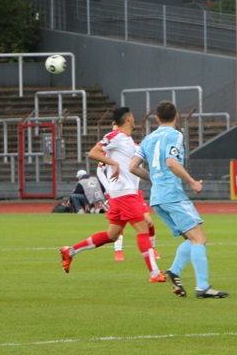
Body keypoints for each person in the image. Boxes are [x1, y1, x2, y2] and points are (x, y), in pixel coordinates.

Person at [132, 100, 228, 299]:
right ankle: (203, 287)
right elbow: (171, 162)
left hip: (157, 198)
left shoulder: (148, 138)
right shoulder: (175, 135)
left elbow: (132, 167)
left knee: (191, 238)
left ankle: (174, 272)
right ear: (176, 117)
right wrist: (192, 182)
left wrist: (154, 178)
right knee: (199, 238)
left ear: (157, 118)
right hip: (172, 195)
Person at [59, 107, 165, 284]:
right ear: (129, 118)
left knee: (112, 235)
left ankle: (70, 251)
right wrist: (113, 163)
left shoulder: (130, 142)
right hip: (124, 193)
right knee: (143, 230)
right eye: (132, 116)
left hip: (123, 193)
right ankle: (154, 272)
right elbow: (93, 153)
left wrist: (156, 178)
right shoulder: (115, 136)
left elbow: (134, 169)